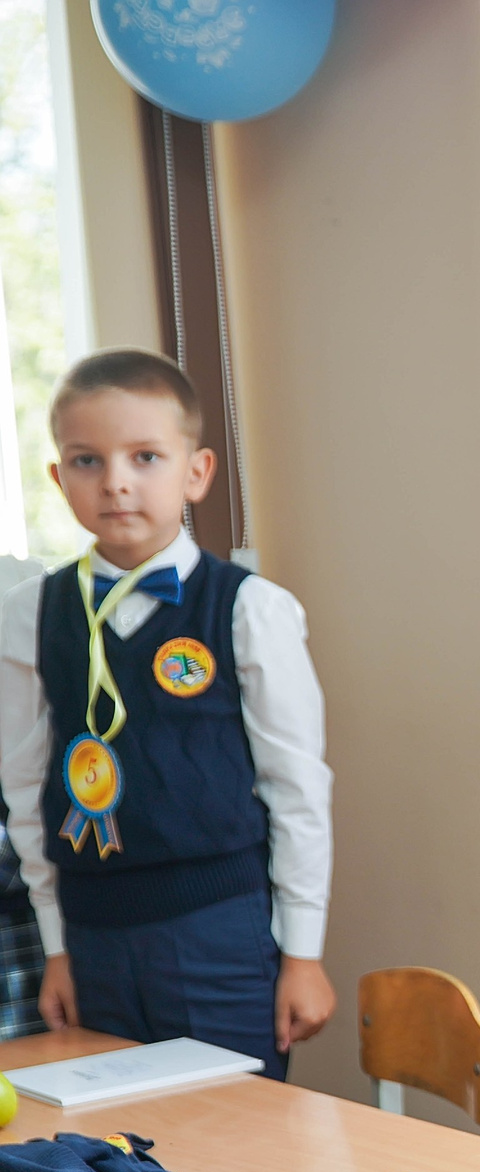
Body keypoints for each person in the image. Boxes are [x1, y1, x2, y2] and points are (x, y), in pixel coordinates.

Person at [1, 349, 335, 1077]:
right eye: (86, 461)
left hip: (219, 931)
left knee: (239, 1142)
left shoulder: (251, 609)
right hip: (92, 938)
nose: (116, 481)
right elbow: (26, 789)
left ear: (196, 471)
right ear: (58, 478)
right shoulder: (28, 614)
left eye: (145, 456)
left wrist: (302, 952)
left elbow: (298, 789)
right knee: (116, 1149)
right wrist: (57, 947)